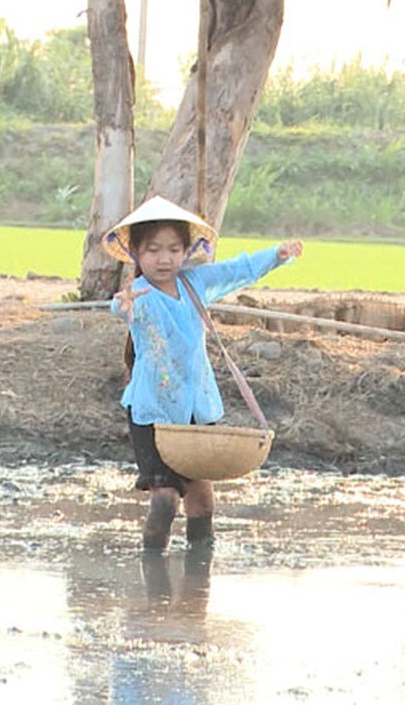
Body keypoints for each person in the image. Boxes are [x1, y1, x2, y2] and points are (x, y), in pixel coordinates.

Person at [103, 195, 303, 553]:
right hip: (153, 410)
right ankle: (153, 581)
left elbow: (236, 270)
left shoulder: (194, 283)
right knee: (164, 498)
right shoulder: (141, 294)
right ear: (135, 253)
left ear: (186, 251)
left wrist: (277, 255)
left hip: (196, 407)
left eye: (173, 249)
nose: (164, 259)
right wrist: (123, 304)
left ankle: (197, 584)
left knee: (203, 501)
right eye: (152, 250)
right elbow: (121, 307)